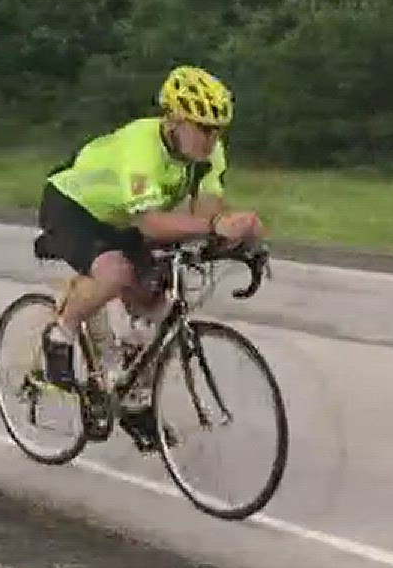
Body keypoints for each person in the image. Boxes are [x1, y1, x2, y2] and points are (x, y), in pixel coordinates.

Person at [35, 65, 265, 388]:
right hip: (74, 206)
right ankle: (60, 334)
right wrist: (216, 225)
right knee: (117, 273)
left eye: (218, 130)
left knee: (160, 299)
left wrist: (241, 241)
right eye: (202, 128)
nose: (211, 139)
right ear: (173, 120)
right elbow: (152, 225)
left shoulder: (209, 154)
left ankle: (131, 396)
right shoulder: (142, 145)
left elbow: (206, 217)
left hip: (121, 217)